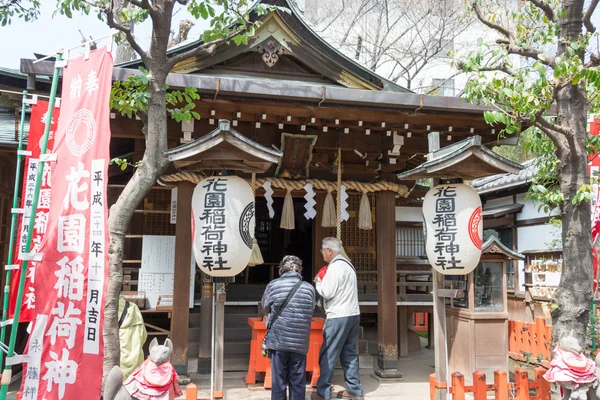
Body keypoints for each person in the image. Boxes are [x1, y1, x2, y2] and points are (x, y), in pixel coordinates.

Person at [312, 237, 363, 400]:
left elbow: (327, 292)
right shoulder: (348, 265)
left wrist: (318, 281)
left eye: (322, 251)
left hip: (338, 315)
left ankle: (323, 392)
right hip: (353, 313)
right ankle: (354, 390)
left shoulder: (334, 268)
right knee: (349, 352)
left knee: (328, 353)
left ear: (329, 251)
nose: (322, 254)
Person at [262, 255, 316, 400]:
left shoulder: (273, 285)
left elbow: (265, 306)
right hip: (299, 342)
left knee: (278, 381)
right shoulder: (309, 288)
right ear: (300, 271)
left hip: (278, 341)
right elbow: (311, 309)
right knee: (298, 381)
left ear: (281, 269)